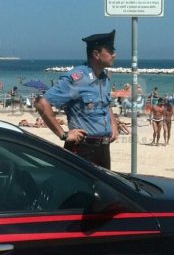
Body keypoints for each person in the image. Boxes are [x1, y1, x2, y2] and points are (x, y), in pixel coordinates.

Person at [35, 30, 118, 168]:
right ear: (96, 54)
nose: (114, 54)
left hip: (103, 148)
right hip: (82, 148)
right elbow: (41, 103)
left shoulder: (104, 78)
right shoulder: (77, 78)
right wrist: (63, 135)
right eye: (110, 51)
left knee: (103, 189)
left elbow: (105, 104)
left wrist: (113, 124)